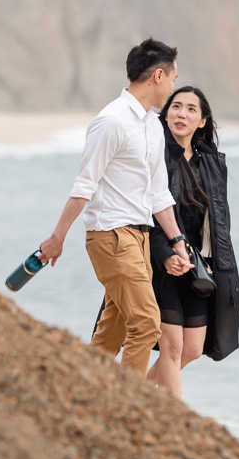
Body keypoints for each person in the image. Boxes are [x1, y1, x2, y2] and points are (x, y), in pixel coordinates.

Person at [38, 38, 193, 377]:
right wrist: (57, 237)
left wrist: (178, 242)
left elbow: (159, 194)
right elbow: (84, 184)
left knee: (115, 330)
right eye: (172, 78)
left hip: (139, 239)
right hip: (110, 237)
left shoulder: (153, 124)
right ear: (157, 76)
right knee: (147, 325)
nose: (172, 88)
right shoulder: (111, 121)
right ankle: (127, 409)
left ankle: (77, 391)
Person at [147, 86, 239, 397]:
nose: (182, 114)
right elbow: (145, 211)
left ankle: (128, 394)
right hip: (163, 265)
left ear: (202, 121)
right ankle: (173, 421)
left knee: (191, 349)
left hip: (197, 268)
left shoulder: (212, 164)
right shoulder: (155, 155)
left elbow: (219, 222)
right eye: (176, 106)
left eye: (191, 109)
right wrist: (164, 254)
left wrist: (219, 265)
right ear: (166, 114)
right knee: (172, 347)